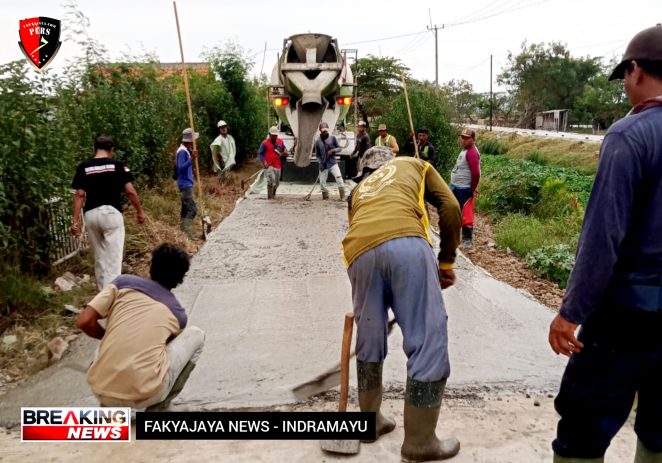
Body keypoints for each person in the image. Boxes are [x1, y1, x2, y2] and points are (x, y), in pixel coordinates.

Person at [548, 24, 662, 463]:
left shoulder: (628, 136)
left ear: (635, 71)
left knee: (582, 426)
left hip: (625, 317)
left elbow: (602, 240)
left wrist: (570, 314)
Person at [342, 146, 462, 462]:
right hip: (407, 242)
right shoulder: (414, 164)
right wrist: (446, 261)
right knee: (427, 337)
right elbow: (450, 206)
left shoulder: (357, 190)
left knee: (369, 333)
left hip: (357, 254)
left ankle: (368, 423)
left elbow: (363, 231)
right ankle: (420, 442)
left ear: (364, 170)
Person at [76, 243, 205, 411]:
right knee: (197, 335)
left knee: (114, 336)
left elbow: (84, 321)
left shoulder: (123, 283)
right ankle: (161, 406)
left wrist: (107, 336)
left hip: (102, 392)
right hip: (147, 396)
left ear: (151, 266)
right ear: (181, 278)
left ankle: (110, 399)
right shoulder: (178, 314)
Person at [71, 136, 145, 291]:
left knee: (99, 257)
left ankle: (102, 295)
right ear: (111, 150)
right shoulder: (117, 166)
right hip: (112, 214)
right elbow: (130, 190)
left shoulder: (83, 167)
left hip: (91, 215)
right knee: (113, 258)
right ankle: (110, 298)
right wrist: (139, 211)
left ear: (95, 149)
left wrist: (75, 221)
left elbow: (79, 195)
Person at [450, 128, 480, 248]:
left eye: (466, 138)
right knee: (455, 210)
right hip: (456, 187)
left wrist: (472, 189)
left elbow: (476, 174)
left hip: (464, 188)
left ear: (473, 139)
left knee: (466, 213)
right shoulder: (465, 150)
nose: (463, 140)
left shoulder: (472, 152)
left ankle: (467, 240)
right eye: (462, 137)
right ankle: (455, 236)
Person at [175, 128, 199, 239]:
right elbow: (180, 168)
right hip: (185, 185)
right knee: (192, 209)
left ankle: (183, 233)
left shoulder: (185, 151)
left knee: (185, 209)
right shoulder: (182, 151)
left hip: (186, 183)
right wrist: (191, 159)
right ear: (189, 140)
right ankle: (187, 233)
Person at [315, 122, 347, 200]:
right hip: (323, 164)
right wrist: (320, 162)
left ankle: (342, 196)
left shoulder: (333, 138)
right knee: (322, 183)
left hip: (332, 163)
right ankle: (325, 197)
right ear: (320, 130)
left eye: (326, 130)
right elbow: (317, 155)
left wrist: (333, 150)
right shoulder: (317, 141)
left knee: (339, 178)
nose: (325, 132)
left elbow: (339, 148)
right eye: (323, 130)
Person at [258, 126, 288, 199]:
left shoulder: (280, 141)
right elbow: (260, 154)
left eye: (276, 135)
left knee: (277, 183)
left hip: (278, 165)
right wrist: (264, 162)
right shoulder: (264, 143)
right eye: (273, 135)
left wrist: (285, 151)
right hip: (269, 165)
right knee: (271, 181)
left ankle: (274, 191)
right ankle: (270, 197)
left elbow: (284, 149)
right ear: (269, 134)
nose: (274, 137)